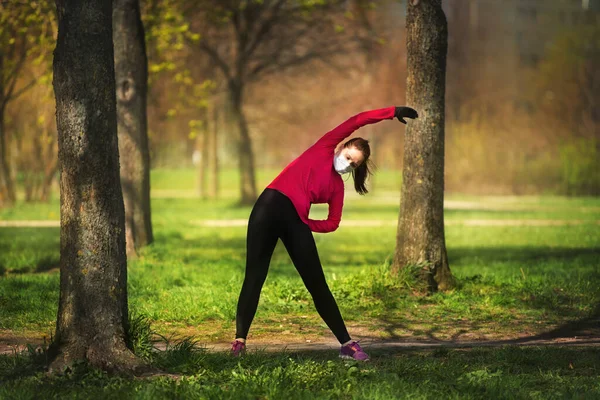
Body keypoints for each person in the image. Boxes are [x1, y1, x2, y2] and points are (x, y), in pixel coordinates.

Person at [231, 106, 418, 360]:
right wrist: (392, 111)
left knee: (317, 284)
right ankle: (239, 342)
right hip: (267, 207)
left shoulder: (336, 188)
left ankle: (347, 344)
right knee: (254, 276)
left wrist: (305, 224)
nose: (348, 163)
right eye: (349, 156)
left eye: (354, 163)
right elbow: (358, 119)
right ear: (341, 148)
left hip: (296, 220)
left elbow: (332, 222)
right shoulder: (323, 147)